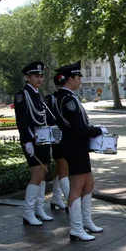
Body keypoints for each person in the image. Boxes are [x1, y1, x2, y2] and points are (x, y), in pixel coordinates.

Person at [53, 61, 105, 241]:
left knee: (88, 184)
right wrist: (97, 130)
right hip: (74, 145)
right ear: (69, 79)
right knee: (77, 187)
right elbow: (77, 127)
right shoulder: (67, 99)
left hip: (77, 145)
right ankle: (76, 227)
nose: (80, 80)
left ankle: (86, 221)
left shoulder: (65, 97)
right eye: (78, 77)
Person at [14, 61, 53, 226]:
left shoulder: (37, 94)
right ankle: (28, 213)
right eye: (36, 76)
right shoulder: (22, 95)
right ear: (28, 77)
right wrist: (27, 141)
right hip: (32, 140)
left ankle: (39, 208)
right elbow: (22, 120)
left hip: (42, 139)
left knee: (43, 174)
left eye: (41, 75)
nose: (39, 78)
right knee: (36, 175)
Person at [45, 76, 69, 212]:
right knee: (64, 168)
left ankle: (56, 196)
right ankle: (69, 199)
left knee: (61, 169)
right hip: (58, 137)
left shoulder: (54, 98)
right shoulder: (54, 99)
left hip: (63, 137)